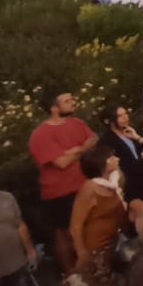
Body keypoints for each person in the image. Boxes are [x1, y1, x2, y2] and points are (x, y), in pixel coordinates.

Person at [28, 89, 96, 274]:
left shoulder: (77, 123)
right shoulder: (40, 134)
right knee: (66, 232)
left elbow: (94, 139)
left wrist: (74, 150)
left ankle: (94, 266)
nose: (73, 102)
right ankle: (71, 273)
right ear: (53, 108)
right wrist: (82, 149)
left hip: (84, 184)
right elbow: (61, 162)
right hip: (59, 191)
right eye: (67, 100)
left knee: (88, 227)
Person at [68, 146, 127, 286]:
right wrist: (82, 253)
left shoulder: (114, 183)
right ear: (102, 163)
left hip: (111, 245)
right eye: (111, 158)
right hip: (94, 249)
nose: (117, 159)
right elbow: (75, 225)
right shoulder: (89, 189)